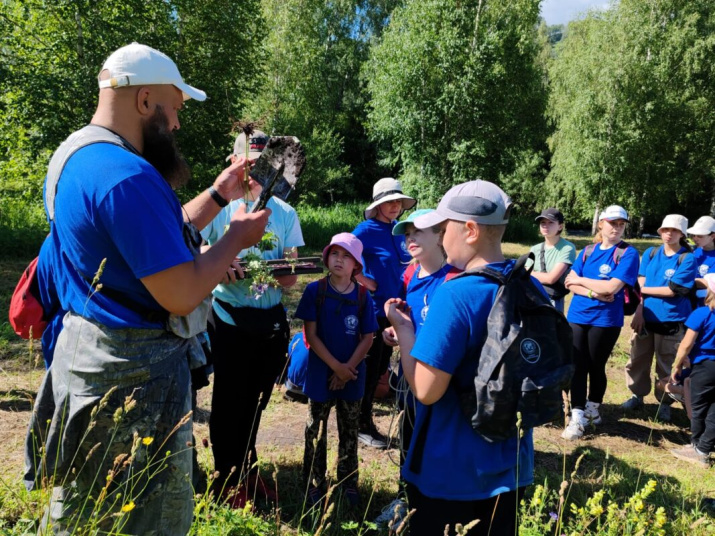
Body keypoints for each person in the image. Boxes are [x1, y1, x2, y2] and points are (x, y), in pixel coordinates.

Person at [23, 43, 270, 535]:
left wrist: (220, 194)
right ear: (143, 102)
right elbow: (179, 291)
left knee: (87, 512)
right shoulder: (127, 176)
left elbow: (148, 240)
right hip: (131, 385)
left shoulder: (76, 156)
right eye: (174, 108)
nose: (176, 124)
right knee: (136, 519)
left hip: (87, 361)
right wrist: (237, 240)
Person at [384, 181, 532, 536]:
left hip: (450, 471)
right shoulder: (527, 284)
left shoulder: (456, 295)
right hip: (512, 463)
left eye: (443, 226)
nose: (440, 234)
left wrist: (404, 332)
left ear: (469, 230)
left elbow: (426, 390)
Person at [201, 129, 304, 507]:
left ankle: (246, 468)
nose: (254, 174)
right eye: (248, 164)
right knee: (229, 401)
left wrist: (268, 267)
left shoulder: (285, 212)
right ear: (234, 162)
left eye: (263, 166)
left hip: (271, 324)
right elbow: (193, 245)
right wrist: (218, 255)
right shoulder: (220, 207)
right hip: (228, 318)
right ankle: (226, 478)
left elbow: (292, 274)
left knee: (257, 401)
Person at [376, 208, 457, 529]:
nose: (410, 238)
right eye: (406, 233)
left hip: (439, 377)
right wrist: (394, 333)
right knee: (409, 438)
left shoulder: (454, 279)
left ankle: (437, 508)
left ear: (441, 234)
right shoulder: (410, 275)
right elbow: (413, 321)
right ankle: (404, 502)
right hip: (410, 372)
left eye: (418, 232)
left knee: (435, 443)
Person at [294, 233, 378, 507]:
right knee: (315, 430)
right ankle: (313, 482)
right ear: (326, 257)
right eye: (334, 254)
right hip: (321, 374)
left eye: (347, 256)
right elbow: (311, 336)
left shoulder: (363, 296)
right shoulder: (315, 291)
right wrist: (336, 368)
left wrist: (347, 369)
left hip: (353, 377)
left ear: (357, 265)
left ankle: (347, 482)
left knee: (349, 430)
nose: (339, 260)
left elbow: (368, 337)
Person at [561, 205, 639, 440]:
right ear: (601, 224)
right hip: (577, 316)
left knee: (596, 365)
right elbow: (569, 283)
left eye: (621, 224)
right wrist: (593, 292)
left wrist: (583, 281)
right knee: (577, 366)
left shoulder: (628, 253)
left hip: (606, 320)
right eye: (612, 222)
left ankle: (593, 409)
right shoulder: (586, 251)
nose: (616, 227)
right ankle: (577, 417)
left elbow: (612, 287)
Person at [352, 178, 416, 448]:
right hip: (373, 310)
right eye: (389, 201)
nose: (395, 206)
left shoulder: (399, 231)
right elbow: (339, 253)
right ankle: (360, 424)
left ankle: (362, 418)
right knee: (369, 366)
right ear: (377, 205)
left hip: (395, 311)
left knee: (380, 366)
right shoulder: (366, 230)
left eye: (398, 201)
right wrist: (362, 278)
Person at [625, 214, 697, 422]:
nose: (668, 234)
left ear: (682, 234)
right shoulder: (650, 252)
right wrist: (639, 308)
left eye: (674, 230)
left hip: (672, 320)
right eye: (665, 230)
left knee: (667, 364)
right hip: (645, 318)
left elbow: (674, 290)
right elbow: (640, 279)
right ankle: (637, 395)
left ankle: (664, 403)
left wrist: (641, 290)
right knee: (637, 360)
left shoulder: (687, 258)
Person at [670, 273, 715, 468]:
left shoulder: (702, 314)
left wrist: (677, 365)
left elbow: (686, 345)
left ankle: (698, 448)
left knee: (699, 407)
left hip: (705, 366)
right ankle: (704, 447)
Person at [529, 208, 576, 313]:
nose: (546, 226)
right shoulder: (534, 249)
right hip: (532, 297)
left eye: (551, 222)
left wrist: (531, 273)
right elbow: (524, 275)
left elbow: (551, 279)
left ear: (560, 226)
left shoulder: (567, 248)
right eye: (543, 223)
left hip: (552, 300)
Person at [688, 216, 715, 307]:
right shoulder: (693, 251)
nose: (695, 238)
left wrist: (682, 281)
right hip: (688, 303)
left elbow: (710, 283)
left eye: (700, 235)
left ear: (712, 236)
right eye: (693, 235)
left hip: (706, 305)